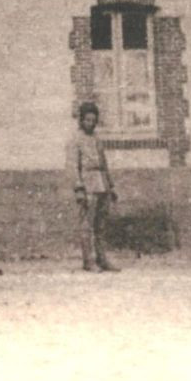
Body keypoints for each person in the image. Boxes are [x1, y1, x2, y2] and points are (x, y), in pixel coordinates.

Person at [68, 100, 120, 273]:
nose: (90, 123)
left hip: (101, 185)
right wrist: (79, 188)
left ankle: (102, 259)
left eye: (93, 120)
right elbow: (73, 166)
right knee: (86, 225)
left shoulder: (97, 139)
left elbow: (104, 164)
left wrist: (110, 186)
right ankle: (88, 261)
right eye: (87, 120)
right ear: (81, 120)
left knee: (100, 226)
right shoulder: (75, 140)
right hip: (87, 185)